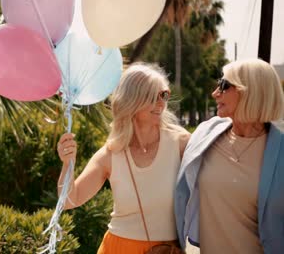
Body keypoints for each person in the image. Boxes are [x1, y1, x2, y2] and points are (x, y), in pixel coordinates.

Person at [57, 62, 190, 253]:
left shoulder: (181, 143)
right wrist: (67, 164)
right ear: (133, 99)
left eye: (165, 95)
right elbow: (70, 200)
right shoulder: (111, 153)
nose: (162, 103)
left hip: (168, 250)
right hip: (118, 247)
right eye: (154, 96)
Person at [174, 58, 284, 254]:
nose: (215, 93)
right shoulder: (205, 133)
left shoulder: (281, 150)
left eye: (224, 86)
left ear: (250, 91)